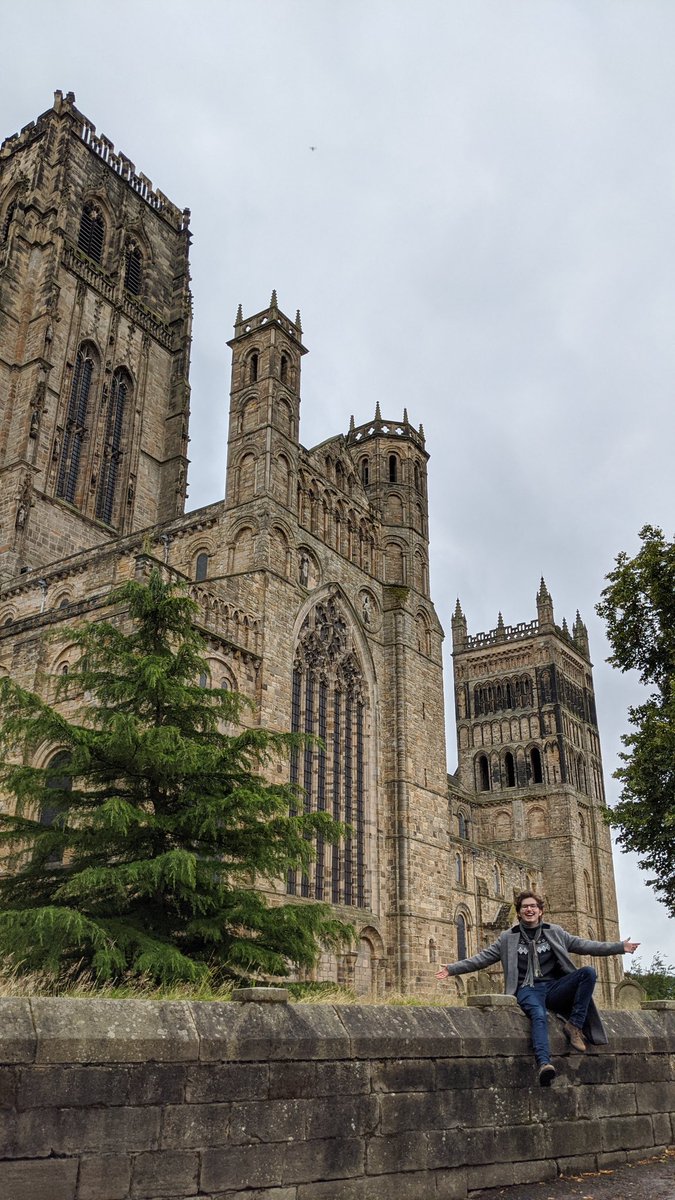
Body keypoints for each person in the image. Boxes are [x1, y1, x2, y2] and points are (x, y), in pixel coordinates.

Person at [435, 890, 639, 1087]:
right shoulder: (508, 937)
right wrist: (453, 969)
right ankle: (544, 1064)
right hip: (527, 989)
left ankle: (574, 1026)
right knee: (538, 1015)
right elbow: (483, 958)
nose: (529, 910)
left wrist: (619, 947)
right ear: (519, 912)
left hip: (554, 987)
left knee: (588, 973)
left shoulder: (555, 932)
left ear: (541, 911)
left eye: (533, 906)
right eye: (525, 907)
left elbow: (585, 945)